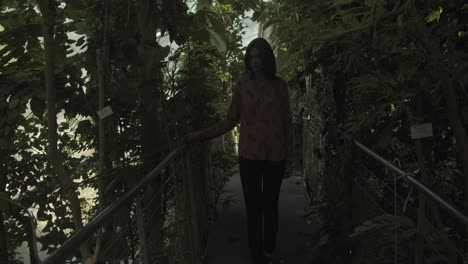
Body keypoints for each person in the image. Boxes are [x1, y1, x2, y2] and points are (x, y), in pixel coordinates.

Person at [183, 37, 293, 264]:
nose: (255, 62)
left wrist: (289, 158)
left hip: (275, 155)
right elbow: (230, 119)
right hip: (249, 156)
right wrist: (200, 135)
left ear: (267, 58)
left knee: (270, 206)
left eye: (259, 57)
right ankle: (257, 256)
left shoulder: (279, 86)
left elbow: (286, 122)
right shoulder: (242, 86)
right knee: (253, 209)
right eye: (251, 57)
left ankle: (269, 249)